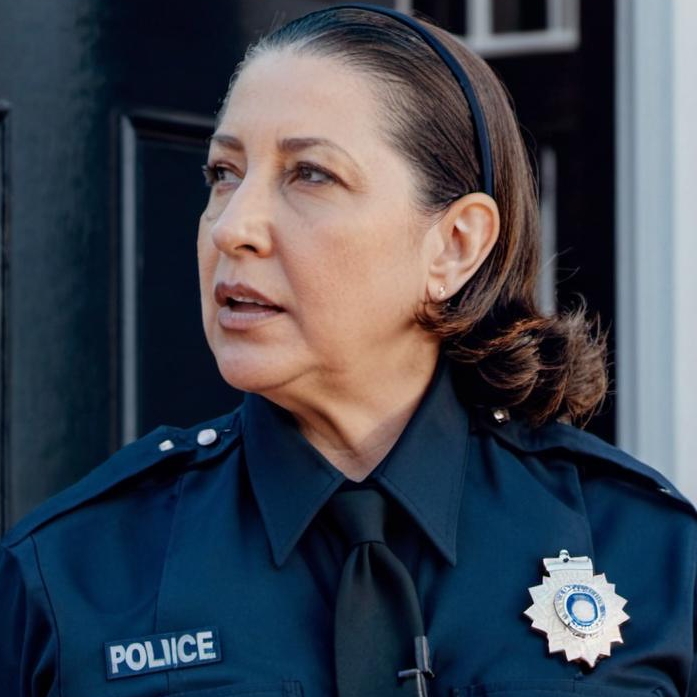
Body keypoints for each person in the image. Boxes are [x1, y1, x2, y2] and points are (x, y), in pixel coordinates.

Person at [1, 4, 695, 696]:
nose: (232, 227)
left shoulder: (647, 550)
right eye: (222, 174)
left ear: (454, 246)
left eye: (310, 175)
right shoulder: (69, 571)